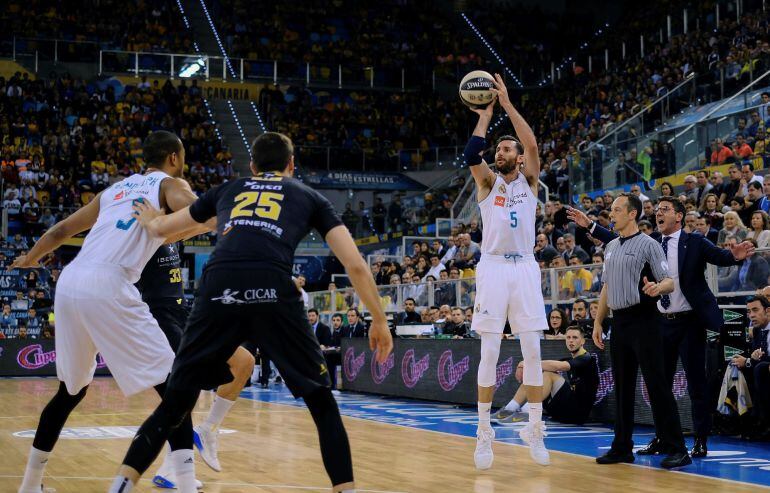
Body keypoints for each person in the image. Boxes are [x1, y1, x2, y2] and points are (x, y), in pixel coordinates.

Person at [109, 131, 393, 493]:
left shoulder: (230, 188)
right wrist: (379, 319)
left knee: (175, 403)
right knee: (321, 401)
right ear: (291, 165)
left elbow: (164, 227)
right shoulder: (309, 196)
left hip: (218, 285)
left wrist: (150, 217)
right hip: (272, 286)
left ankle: (120, 485)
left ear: (253, 167)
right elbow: (354, 265)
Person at [13, 131, 214, 493]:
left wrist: (30, 258)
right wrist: (217, 216)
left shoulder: (115, 191)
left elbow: (60, 230)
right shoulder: (170, 183)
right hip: (109, 282)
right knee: (177, 388)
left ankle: (30, 485)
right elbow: (199, 209)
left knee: (70, 392)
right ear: (173, 157)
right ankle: (185, 485)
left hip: (71, 281)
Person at [462, 73, 550, 468]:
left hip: (526, 267)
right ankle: (483, 433)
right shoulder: (487, 184)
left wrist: (509, 105)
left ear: (518, 156)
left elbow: (531, 142)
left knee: (532, 350)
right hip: (494, 267)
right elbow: (470, 154)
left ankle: (535, 428)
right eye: (499, 147)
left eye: (507, 147)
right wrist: (485, 114)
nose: (502, 151)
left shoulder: (530, 180)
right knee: (491, 349)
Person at [590, 193, 691, 469]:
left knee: (657, 385)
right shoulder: (610, 246)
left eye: (617, 210)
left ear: (632, 213)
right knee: (621, 389)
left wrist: (658, 288)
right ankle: (622, 447)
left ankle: (678, 448)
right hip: (619, 323)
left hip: (645, 321)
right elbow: (606, 288)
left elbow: (669, 281)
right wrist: (599, 322)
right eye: (612, 210)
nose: (612, 214)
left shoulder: (649, 244)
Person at [494, 326, 598, 425]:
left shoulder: (587, 358)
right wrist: (525, 366)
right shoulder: (571, 359)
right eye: (568, 337)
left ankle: (528, 412)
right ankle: (509, 409)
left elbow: (560, 366)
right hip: (561, 411)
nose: (571, 340)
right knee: (538, 374)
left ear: (583, 341)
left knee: (549, 374)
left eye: (575, 337)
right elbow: (549, 365)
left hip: (577, 413)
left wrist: (525, 363)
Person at [730, 297, 770, 439]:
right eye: (748, 312)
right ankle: (737, 421)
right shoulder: (758, 332)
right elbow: (755, 359)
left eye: (755, 310)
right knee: (733, 365)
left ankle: (763, 423)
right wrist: (747, 360)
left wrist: (748, 361)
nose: (751, 315)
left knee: (760, 369)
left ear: (768, 311)